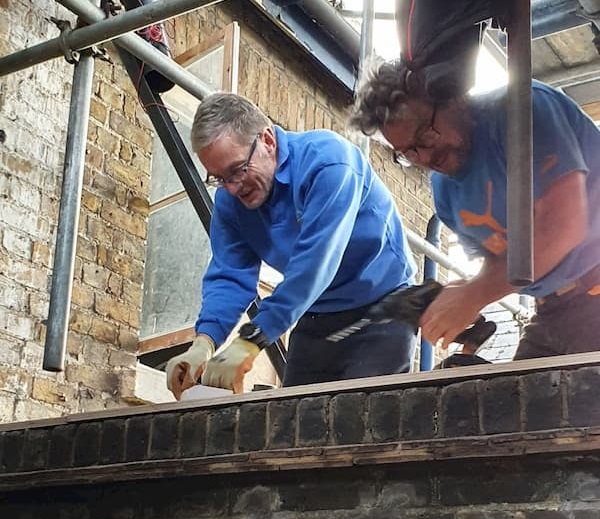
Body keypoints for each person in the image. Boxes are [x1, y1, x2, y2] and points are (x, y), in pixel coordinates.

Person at [166, 92, 416, 398]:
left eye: (237, 170)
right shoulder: (230, 204)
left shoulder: (329, 162)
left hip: (383, 308)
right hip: (316, 313)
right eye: (219, 178)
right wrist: (204, 343)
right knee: (295, 423)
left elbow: (314, 263)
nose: (231, 188)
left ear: (268, 141)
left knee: (363, 418)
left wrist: (251, 340)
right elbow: (230, 276)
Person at [351, 62, 600, 359]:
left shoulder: (523, 109)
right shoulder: (445, 192)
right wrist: (457, 295)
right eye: (408, 152)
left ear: (453, 98)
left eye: (425, 136)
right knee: (514, 402)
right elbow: (498, 261)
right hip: (552, 309)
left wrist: (474, 294)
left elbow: (564, 228)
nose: (426, 156)